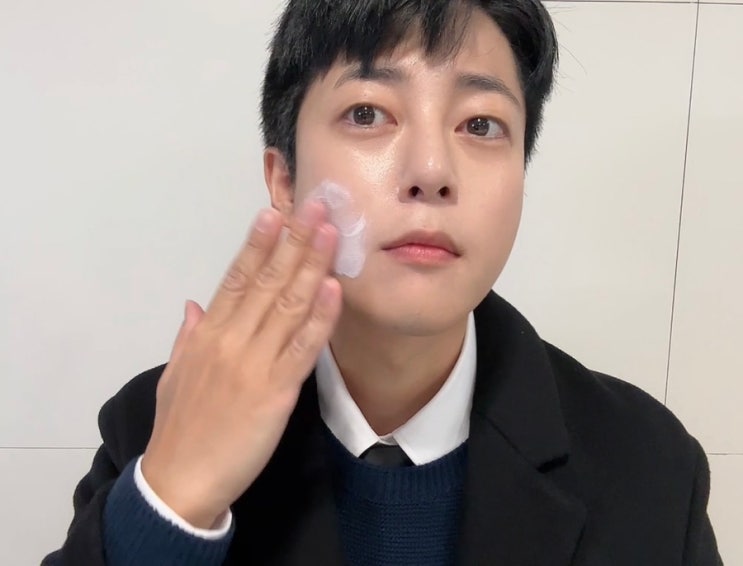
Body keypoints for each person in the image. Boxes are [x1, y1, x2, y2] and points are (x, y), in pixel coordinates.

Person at [43, 1, 723, 565]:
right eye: (368, 113)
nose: (431, 170)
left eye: (480, 124)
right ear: (284, 180)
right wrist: (172, 502)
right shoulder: (155, 424)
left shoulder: (648, 467)